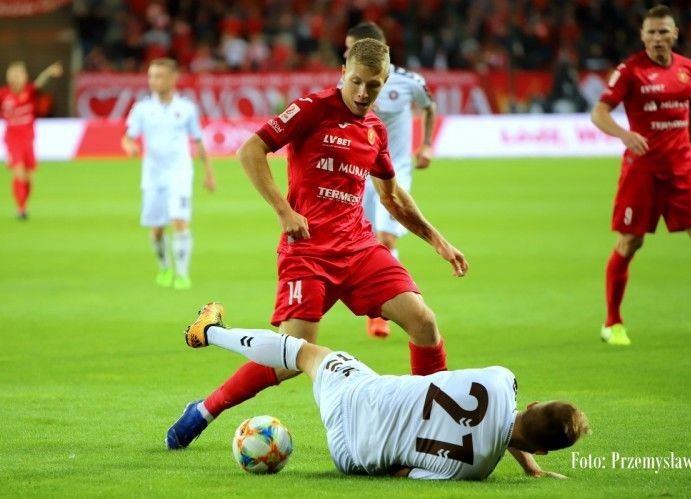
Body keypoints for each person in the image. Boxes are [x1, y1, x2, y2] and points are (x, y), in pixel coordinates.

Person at [165, 39, 468, 449]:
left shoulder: (375, 131)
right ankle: (204, 409)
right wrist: (284, 211)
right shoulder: (311, 109)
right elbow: (250, 150)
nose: (363, 93)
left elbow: (392, 196)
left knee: (424, 322)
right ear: (343, 72)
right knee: (292, 356)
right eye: (356, 81)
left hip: (359, 249)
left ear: (385, 82)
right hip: (307, 250)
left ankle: (433, 429)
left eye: (374, 85)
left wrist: (437, 240)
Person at [181, 302, 589, 479]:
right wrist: (530, 469)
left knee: (304, 352)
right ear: (541, 452)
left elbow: (507, 417)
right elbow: (404, 474)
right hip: (353, 456)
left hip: (359, 397)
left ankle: (209, 332)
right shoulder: (474, 470)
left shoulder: (500, 380)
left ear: (533, 402)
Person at [590, 4, 691, 347]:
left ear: (675, 34)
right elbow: (598, 113)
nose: (657, 38)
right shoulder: (630, 71)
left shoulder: (687, 68)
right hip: (642, 172)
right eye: (651, 32)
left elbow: (690, 115)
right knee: (630, 243)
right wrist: (624, 135)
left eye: (663, 31)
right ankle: (612, 322)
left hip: (682, 172)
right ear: (642, 36)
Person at [344, 22, 438, 338]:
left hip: (395, 171)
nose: (346, 53)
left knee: (386, 238)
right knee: (366, 242)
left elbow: (429, 107)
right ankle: (380, 305)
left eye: (351, 47)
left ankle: (383, 312)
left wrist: (426, 144)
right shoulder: (347, 82)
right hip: (359, 174)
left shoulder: (409, 82)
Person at [122, 58, 216, 290]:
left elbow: (198, 140)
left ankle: (182, 274)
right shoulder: (142, 109)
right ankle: (164, 268)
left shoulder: (186, 108)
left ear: (173, 78)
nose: (153, 81)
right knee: (156, 229)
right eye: (151, 76)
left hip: (179, 172)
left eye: (159, 76)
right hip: (153, 175)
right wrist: (130, 146)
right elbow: (128, 137)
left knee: (179, 220)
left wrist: (208, 173)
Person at [1, 61, 63, 219]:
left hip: (28, 139)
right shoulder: (3, 94)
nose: (15, 78)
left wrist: (49, 71)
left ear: (24, 77)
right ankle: (21, 209)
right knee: (19, 172)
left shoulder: (29, 91)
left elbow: (40, 82)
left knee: (28, 177)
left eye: (19, 74)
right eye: (13, 75)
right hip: (12, 139)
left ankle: (24, 204)